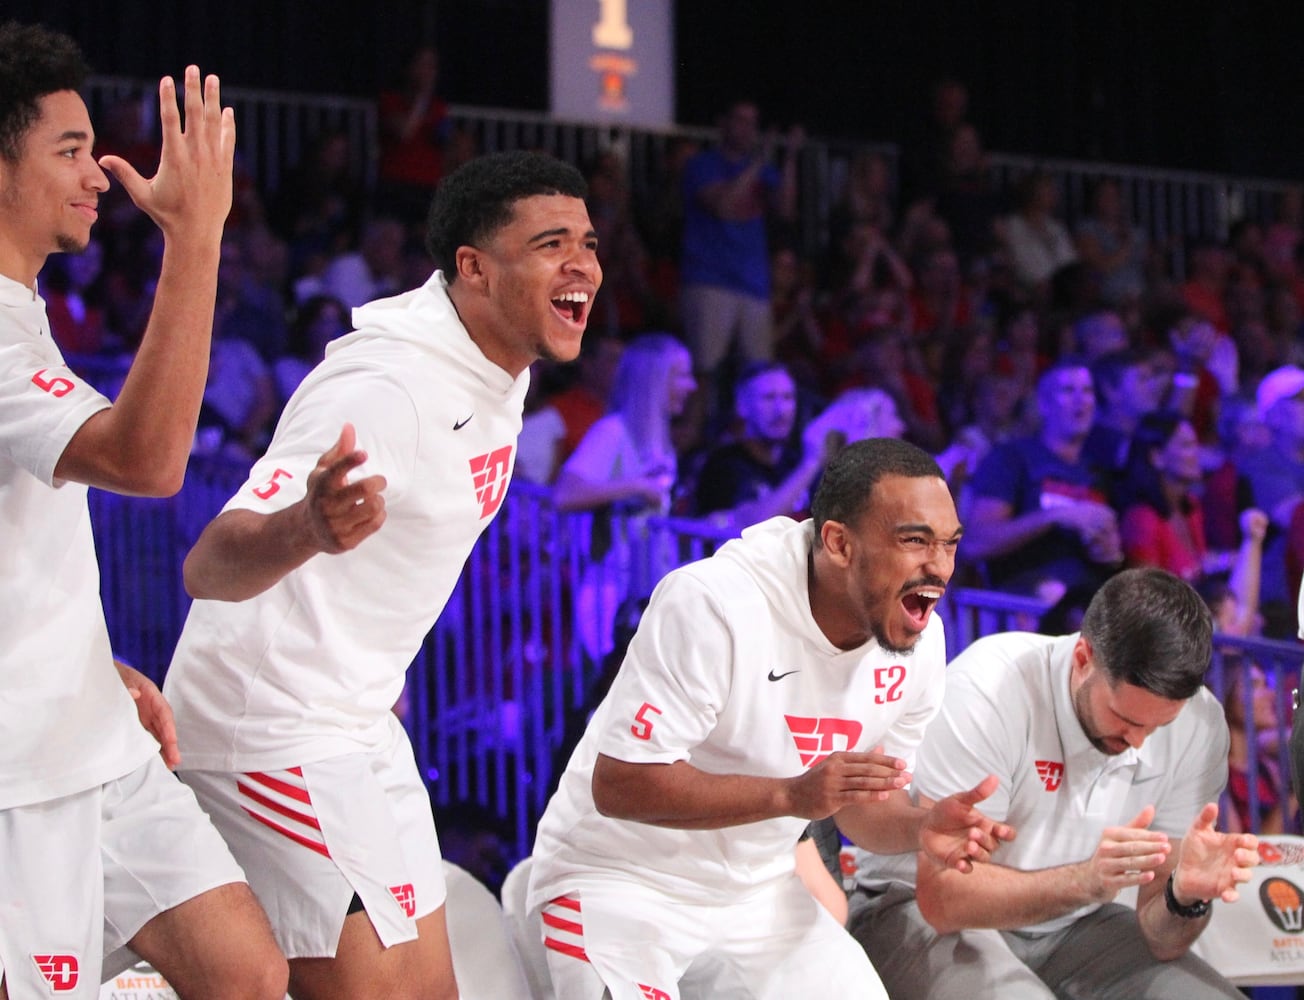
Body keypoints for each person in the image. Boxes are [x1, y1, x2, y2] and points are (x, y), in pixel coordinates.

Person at [161, 150, 601, 1000]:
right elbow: (209, 565)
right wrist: (306, 526)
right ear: (473, 269)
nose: (583, 263)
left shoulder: (495, 363)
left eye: (587, 241)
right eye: (552, 244)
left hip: (357, 719)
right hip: (271, 729)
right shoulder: (386, 387)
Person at [0, 22, 289, 999]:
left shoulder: (21, 306)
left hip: (96, 741)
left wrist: (94, 657)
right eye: (70, 151)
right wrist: (196, 235)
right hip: (17, 776)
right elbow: (149, 458)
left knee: (245, 973)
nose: (98, 174)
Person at [527, 438, 1012, 1000]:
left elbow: (861, 805)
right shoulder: (715, 605)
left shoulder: (919, 646)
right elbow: (619, 784)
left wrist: (919, 828)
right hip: (621, 882)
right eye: (914, 542)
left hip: (758, 896)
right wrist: (789, 796)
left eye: (950, 545)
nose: (940, 568)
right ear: (838, 544)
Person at [848, 567, 1260, 999]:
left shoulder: (1201, 724)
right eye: (1125, 718)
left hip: (1073, 923)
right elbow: (944, 899)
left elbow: (1163, 939)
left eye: (1160, 725)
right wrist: (1084, 882)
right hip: (914, 906)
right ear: (1082, 659)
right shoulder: (991, 687)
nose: (1139, 741)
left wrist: (1184, 898)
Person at [960, 358, 1122, 601]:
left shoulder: (1097, 471)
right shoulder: (1013, 457)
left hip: (1089, 601)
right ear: (1044, 405)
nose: (1081, 400)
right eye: (1068, 390)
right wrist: (1056, 516)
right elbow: (975, 544)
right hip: (1027, 602)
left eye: (1087, 391)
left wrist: (1111, 554)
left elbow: (1109, 552)